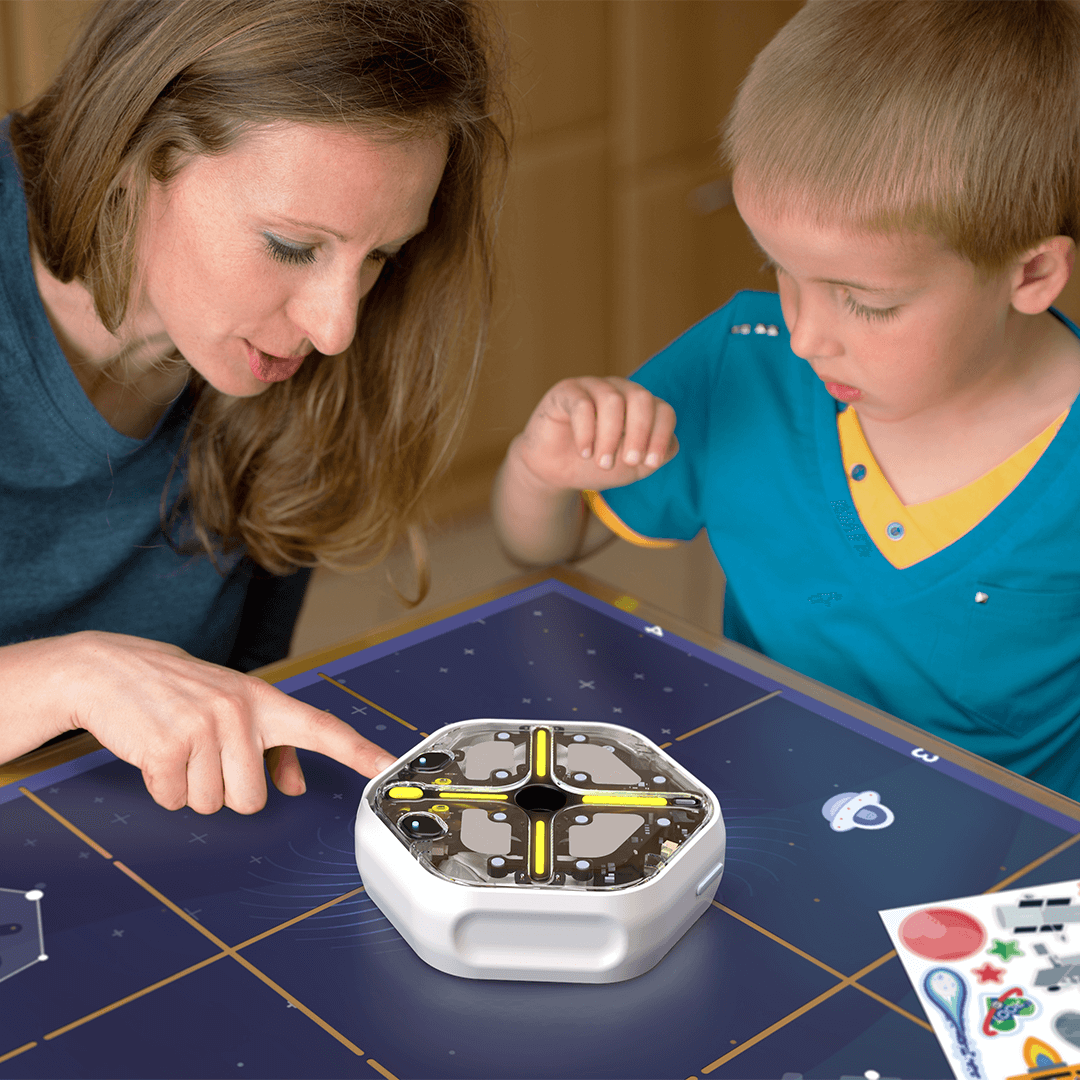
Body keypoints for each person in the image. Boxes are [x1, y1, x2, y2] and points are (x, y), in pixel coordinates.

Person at [493, 0, 1080, 800]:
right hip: (769, 817)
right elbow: (542, 552)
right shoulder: (746, 359)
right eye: (780, 270)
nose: (806, 335)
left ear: (1032, 275)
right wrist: (541, 470)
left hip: (1006, 883)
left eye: (866, 302)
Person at [0, 0, 507, 814]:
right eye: (290, 246)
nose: (336, 328)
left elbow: (239, 700)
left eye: (378, 255)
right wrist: (67, 675)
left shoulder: (294, 363)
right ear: (136, 155)